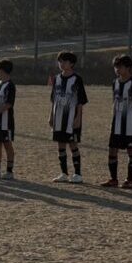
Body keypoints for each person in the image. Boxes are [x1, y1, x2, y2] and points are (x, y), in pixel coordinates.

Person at [101, 55, 132, 189]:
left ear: (128, 68)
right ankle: (113, 179)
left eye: (120, 67)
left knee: (131, 150)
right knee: (112, 150)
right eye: (115, 67)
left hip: (131, 124)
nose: (117, 69)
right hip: (116, 123)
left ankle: (129, 180)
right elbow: (114, 101)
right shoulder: (114, 83)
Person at [50, 52, 88, 184]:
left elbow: (80, 101)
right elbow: (53, 99)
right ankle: (64, 173)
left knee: (73, 144)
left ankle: (77, 174)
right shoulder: (56, 78)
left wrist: (78, 118)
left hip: (71, 118)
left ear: (71, 63)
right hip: (58, 117)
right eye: (60, 61)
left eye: (64, 61)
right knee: (60, 144)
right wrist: (51, 116)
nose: (61, 64)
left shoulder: (77, 79)